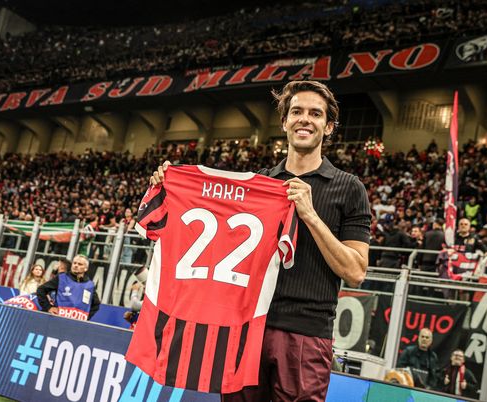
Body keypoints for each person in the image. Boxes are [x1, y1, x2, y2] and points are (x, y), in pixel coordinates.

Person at [151, 80, 371, 401]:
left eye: (315, 113)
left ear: (329, 126)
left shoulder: (349, 188)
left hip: (305, 333)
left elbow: (356, 271)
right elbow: (210, 229)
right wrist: (170, 187)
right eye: (296, 111)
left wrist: (309, 214)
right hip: (246, 328)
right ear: (284, 122)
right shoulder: (260, 185)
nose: (304, 119)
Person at [36, 254, 100, 321]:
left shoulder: (90, 285)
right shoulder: (62, 278)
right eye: (74, 263)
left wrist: (86, 317)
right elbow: (41, 290)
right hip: (58, 320)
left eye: (80, 264)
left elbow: (96, 304)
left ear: (86, 268)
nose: (76, 265)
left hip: (77, 324)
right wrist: (48, 307)